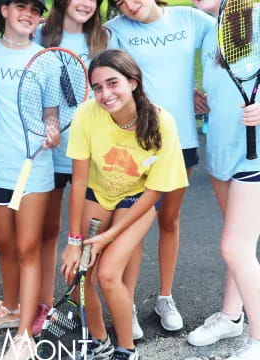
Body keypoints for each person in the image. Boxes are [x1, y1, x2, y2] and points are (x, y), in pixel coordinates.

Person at [63, 49, 188, 360]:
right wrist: (73, 241)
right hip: (98, 192)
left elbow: (154, 192)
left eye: (113, 83)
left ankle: (126, 349)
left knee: (107, 274)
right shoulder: (86, 114)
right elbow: (78, 182)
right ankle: (100, 340)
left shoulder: (162, 122)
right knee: (78, 273)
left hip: (138, 198)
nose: (105, 94)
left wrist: (108, 236)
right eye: (97, 87)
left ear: (133, 82)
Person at [105, 0, 214, 337]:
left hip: (181, 140)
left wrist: (202, 91)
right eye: (120, 2)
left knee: (169, 220)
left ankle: (164, 298)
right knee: (133, 225)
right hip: (138, 142)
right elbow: (113, 81)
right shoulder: (117, 30)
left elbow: (229, 48)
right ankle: (128, 304)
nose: (129, 6)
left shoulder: (191, 19)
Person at [0, 0, 60, 358]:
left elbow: (51, 115)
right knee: (4, 245)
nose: (29, 15)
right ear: (4, 9)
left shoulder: (47, 59)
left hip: (34, 171)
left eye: (36, 10)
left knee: (27, 249)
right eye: (21, 6)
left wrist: (52, 130)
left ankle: (25, 334)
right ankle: (9, 308)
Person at [30, 0, 110, 338]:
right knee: (48, 232)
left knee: (88, 237)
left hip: (91, 155)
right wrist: (48, 124)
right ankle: (46, 305)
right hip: (50, 154)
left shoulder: (104, 39)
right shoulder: (37, 35)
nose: (86, 3)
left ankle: (87, 305)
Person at [185, 0, 260, 358]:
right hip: (220, 147)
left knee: (235, 246)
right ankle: (232, 316)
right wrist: (200, 98)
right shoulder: (208, 26)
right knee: (236, 242)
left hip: (255, 154)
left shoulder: (257, 15)